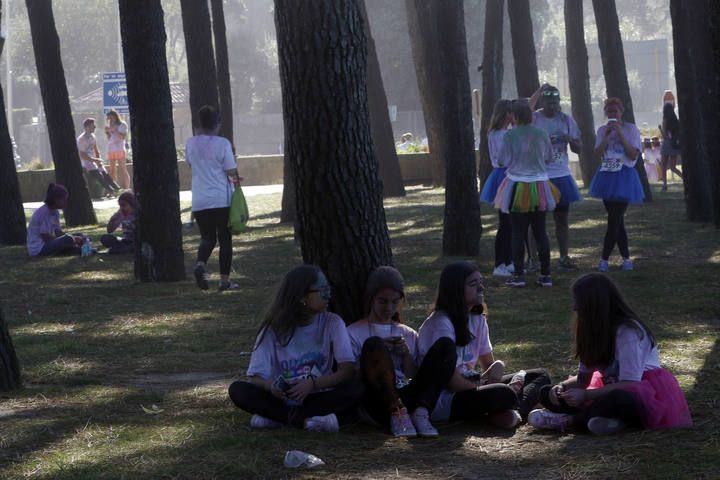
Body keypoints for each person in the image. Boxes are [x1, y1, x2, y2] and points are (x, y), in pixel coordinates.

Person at [528, 273, 692, 435]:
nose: (575, 308)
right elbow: (582, 379)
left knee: (617, 400)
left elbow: (630, 384)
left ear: (595, 305)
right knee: (546, 393)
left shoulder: (628, 332)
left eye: (580, 302)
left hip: (642, 393)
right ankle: (608, 422)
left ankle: (568, 421)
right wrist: (561, 387)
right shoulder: (590, 331)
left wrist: (586, 395)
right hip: (606, 389)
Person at [227, 265, 363, 432]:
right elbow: (255, 378)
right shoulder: (272, 330)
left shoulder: (333, 323)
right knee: (238, 390)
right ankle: (307, 420)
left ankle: (280, 418)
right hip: (283, 399)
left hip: (319, 395)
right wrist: (273, 387)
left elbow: (347, 370)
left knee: (359, 387)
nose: (328, 295)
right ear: (302, 296)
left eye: (329, 289)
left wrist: (312, 384)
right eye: (322, 290)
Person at [348, 266, 456, 437]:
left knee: (445, 346)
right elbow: (351, 377)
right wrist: (376, 356)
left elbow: (417, 375)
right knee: (373, 345)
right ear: (371, 299)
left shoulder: (408, 333)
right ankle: (395, 411)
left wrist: (405, 355)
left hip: (407, 395)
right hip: (378, 401)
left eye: (394, 302)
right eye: (382, 301)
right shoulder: (353, 332)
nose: (389, 308)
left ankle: (421, 412)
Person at [416, 261, 522, 429]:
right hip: (446, 397)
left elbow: (488, 364)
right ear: (456, 290)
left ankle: (497, 412)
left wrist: (494, 377)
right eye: (473, 284)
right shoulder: (440, 324)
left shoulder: (477, 319)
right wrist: (486, 388)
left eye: (481, 282)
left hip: (472, 386)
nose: (481, 288)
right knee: (504, 393)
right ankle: (504, 410)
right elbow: (452, 383)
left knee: (538, 376)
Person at [493, 100, 559, 288]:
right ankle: (546, 275)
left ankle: (519, 275)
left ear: (514, 115)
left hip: (517, 184)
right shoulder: (542, 133)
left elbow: (501, 160)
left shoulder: (510, 135)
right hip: (539, 186)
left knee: (517, 231)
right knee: (540, 231)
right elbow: (550, 157)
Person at [187, 105, 242, 291]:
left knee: (207, 238)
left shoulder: (191, 143)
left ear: (199, 123)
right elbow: (229, 170)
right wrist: (235, 179)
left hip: (200, 200)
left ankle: (201, 263)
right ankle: (224, 280)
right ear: (217, 123)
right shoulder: (223, 143)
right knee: (225, 239)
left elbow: (190, 164)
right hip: (221, 198)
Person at [529, 84, 583, 270]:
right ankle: (533, 259)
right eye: (548, 101)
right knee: (537, 220)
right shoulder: (534, 118)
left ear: (559, 102)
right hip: (539, 175)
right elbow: (523, 111)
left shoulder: (566, 120)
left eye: (555, 101)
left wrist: (567, 138)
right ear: (542, 102)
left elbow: (579, 148)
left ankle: (563, 256)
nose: (552, 105)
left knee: (561, 219)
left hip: (560, 175)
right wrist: (538, 90)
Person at [588, 98, 644, 272]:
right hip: (606, 176)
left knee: (614, 219)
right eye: (609, 112)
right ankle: (627, 259)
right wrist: (606, 136)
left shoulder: (631, 129)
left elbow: (633, 154)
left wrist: (620, 133)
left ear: (622, 112)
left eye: (615, 111)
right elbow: (597, 153)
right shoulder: (602, 130)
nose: (612, 115)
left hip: (625, 176)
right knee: (617, 221)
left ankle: (604, 259)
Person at [479, 99, 514, 277]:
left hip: (509, 175)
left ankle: (508, 261)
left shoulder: (505, 133)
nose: (512, 116)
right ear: (504, 114)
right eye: (510, 112)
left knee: (510, 223)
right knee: (505, 223)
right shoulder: (497, 134)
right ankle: (499, 263)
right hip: (503, 176)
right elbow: (501, 158)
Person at [26, 183, 85, 256]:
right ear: (56, 200)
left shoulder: (55, 212)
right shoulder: (44, 213)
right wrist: (70, 239)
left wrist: (73, 237)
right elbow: (46, 237)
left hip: (49, 243)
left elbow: (58, 232)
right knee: (68, 239)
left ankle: (78, 249)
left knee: (80, 235)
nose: (66, 202)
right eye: (64, 200)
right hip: (39, 248)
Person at [77, 117, 120, 197]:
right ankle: (111, 191)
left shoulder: (93, 136)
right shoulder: (81, 139)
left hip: (94, 160)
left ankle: (117, 189)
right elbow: (82, 155)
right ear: (87, 127)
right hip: (85, 161)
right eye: (93, 125)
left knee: (105, 173)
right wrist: (94, 160)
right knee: (99, 176)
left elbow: (96, 150)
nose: (95, 127)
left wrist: (99, 161)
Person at [659, 103, 682, 191]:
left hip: (667, 144)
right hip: (674, 144)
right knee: (673, 167)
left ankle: (664, 185)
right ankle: (684, 178)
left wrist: (660, 129)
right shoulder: (675, 120)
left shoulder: (665, 120)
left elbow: (665, 136)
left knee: (663, 165)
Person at [104, 109, 130, 189]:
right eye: (109, 119)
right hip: (111, 149)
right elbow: (110, 138)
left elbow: (122, 137)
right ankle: (115, 188)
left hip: (119, 149)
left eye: (111, 118)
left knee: (123, 169)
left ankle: (127, 188)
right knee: (112, 170)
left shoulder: (122, 124)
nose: (111, 120)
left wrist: (114, 130)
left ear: (115, 116)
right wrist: (107, 133)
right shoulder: (110, 125)